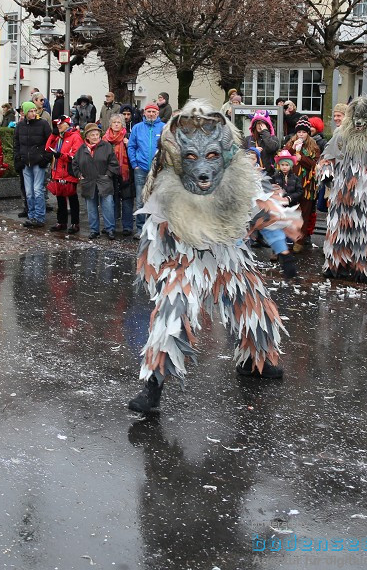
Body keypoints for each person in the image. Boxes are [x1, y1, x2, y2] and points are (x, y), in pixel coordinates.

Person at [126, 100, 301, 414]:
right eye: (192, 157)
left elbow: (263, 206)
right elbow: (155, 231)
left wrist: (283, 251)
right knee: (171, 317)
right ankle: (152, 388)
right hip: (185, 260)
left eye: (211, 156)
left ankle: (254, 363)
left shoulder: (239, 177)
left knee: (255, 309)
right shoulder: (168, 186)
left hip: (227, 255)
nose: (203, 169)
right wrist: (157, 265)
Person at [318, 97, 367, 282]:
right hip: (340, 193)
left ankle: (360, 268)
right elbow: (327, 157)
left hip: (364, 196)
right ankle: (335, 265)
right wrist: (326, 171)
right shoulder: (340, 137)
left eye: (364, 118)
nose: (359, 122)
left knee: (362, 231)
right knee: (337, 229)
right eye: (356, 117)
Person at [72, 122, 119, 239]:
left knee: (108, 206)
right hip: (88, 182)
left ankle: (110, 229)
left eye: (97, 134)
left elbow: (113, 163)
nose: (95, 137)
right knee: (91, 208)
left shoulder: (106, 146)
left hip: (104, 181)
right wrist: (79, 175)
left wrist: (108, 175)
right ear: (87, 137)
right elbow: (75, 164)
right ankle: (94, 230)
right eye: (92, 135)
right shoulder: (81, 149)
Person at [283, 116, 321, 251]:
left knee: (304, 213)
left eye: (304, 132)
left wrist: (302, 158)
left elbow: (315, 164)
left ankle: (300, 240)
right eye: (299, 132)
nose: (301, 134)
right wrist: (293, 150)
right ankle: (289, 238)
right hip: (292, 184)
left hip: (307, 185)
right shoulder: (291, 143)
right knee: (290, 212)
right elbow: (283, 159)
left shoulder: (313, 146)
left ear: (308, 133)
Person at [14, 100, 52, 228]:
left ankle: (39, 217)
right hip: (26, 162)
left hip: (38, 161)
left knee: (38, 190)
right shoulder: (20, 126)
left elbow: (50, 142)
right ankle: (31, 216)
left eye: (34, 111)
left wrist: (45, 158)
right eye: (30, 111)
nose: (33, 113)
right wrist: (18, 159)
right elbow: (17, 144)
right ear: (25, 113)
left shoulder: (43, 124)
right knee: (29, 192)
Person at [128, 102, 164, 234]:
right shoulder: (137, 128)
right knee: (140, 201)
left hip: (158, 171)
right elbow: (131, 146)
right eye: (149, 111)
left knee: (156, 200)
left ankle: (154, 228)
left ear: (157, 113)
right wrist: (134, 164)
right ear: (144, 113)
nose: (151, 114)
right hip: (141, 169)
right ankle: (140, 229)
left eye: (154, 112)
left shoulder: (164, 128)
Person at [46, 115, 83, 234]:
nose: (58, 125)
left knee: (72, 198)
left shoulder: (75, 137)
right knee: (60, 197)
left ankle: (75, 223)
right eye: (57, 124)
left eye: (61, 123)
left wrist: (61, 155)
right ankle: (61, 222)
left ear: (68, 124)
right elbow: (47, 148)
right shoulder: (59, 137)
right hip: (58, 172)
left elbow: (75, 156)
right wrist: (53, 134)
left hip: (69, 171)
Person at [104, 113, 135, 236]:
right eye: (114, 122)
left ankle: (127, 226)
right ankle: (111, 225)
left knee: (127, 200)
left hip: (125, 173)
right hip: (110, 173)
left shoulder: (128, 136)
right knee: (112, 200)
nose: (116, 124)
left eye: (119, 122)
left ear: (123, 124)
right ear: (110, 124)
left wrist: (129, 145)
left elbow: (133, 152)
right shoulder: (105, 138)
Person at [243, 112, 279, 176]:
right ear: (254, 125)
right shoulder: (248, 139)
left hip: (269, 174)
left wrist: (265, 132)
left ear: (267, 125)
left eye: (263, 123)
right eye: (258, 123)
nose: (260, 126)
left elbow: (272, 148)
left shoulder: (273, 138)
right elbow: (241, 154)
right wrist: (252, 150)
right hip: (251, 174)